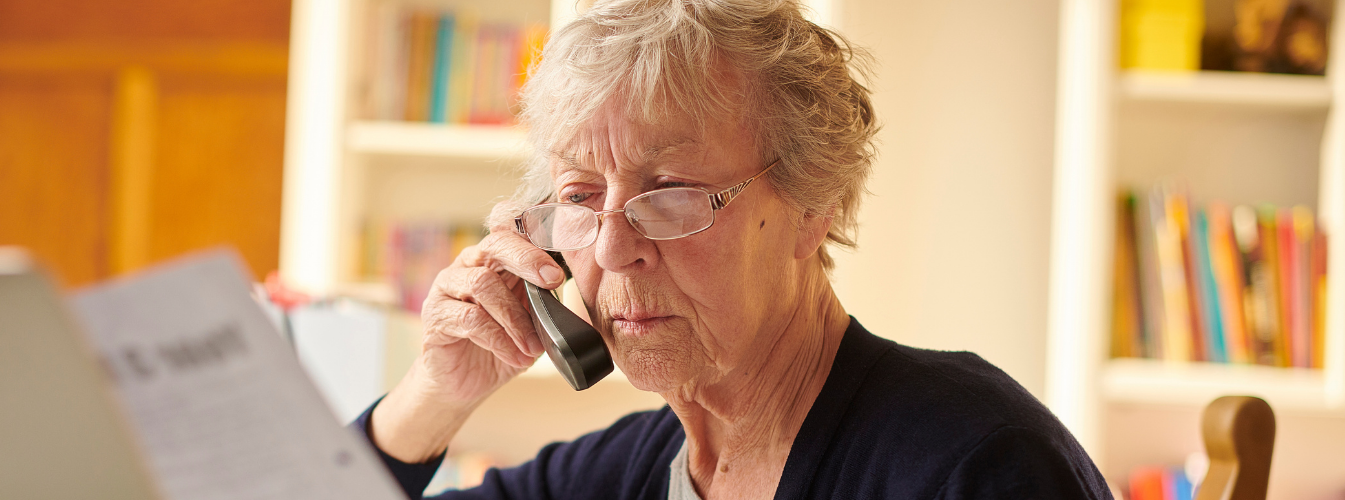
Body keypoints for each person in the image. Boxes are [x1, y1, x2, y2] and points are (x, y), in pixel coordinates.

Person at [352, 0, 1113, 498]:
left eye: (672, 191)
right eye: (581, 196)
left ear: (814, 205)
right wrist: (435, 395)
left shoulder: (972, 465)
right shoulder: (627, 473)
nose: (614, 249)